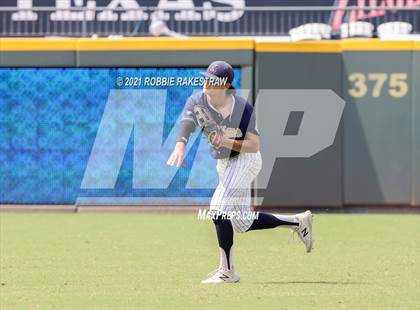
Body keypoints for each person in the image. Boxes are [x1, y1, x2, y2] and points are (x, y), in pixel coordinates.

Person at [167, 61, 314, 284]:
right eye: (206, 77)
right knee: (242, 223)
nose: (206, 81)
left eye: (212, 79)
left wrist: (226, 140)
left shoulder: (242, 109)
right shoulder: (198, 100)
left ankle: (227, 272)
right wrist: (180, 144)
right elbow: (188, 122)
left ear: (225, 85)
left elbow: (254, 145)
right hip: (225, 164)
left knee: (218, 210)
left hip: (246, 161)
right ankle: (297, 222)